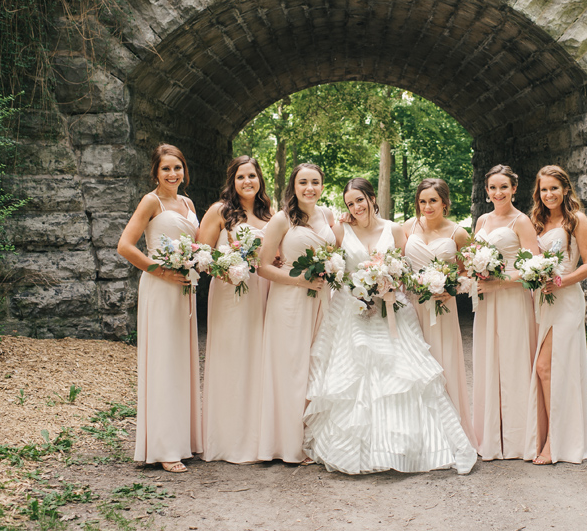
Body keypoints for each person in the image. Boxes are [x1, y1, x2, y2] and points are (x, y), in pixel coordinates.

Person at [304, 178, 476, 475]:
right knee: (354, 376)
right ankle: (353, 450)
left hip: (391, 309)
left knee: (401, 375)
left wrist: (388, 283)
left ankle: (403, 445)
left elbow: (407, 270)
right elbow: (328, 264)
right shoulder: (340, 230)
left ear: (372, 198)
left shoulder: (395, 229)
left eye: (360, 200)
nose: (356, 207)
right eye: (350, 204)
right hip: (352, 311)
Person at [117, 144, 202, 473]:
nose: (172, 174)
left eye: (177, 168)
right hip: (160, 288)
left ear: (184, 170)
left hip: (184, 290)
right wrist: (159, 270)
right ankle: (164, 448)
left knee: (182, 363)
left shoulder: (188, 203)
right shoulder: (150, 201)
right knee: (164, 363)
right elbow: (125, 245)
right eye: (166, 169)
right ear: (155, 172)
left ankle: (184, 440)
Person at [257, 163, 338, 464]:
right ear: (293, 186)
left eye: (315, 182)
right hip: (290, 301)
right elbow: (262, 266)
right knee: (291, 369)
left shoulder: (327, 216)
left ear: (322, 185)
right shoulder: (281, 219)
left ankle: (310, 437)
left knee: (316, 366)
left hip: (321, 301)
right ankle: (287, 444)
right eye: (303, 182)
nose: (309, 188)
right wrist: (297, 279)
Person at [197, 156, 273, 464]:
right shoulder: (220, 211)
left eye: (252, 176)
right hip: (229, 292)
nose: (247, 182)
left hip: (261, 292)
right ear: (233, 180)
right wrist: (225, 270)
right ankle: (226, 439)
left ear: (260, 180)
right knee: (231, 358)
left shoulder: (270, 215)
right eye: (241, 177)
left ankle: (257, 438)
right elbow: (201, 253)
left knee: (257, 359)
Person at [524, 165, 587, 465]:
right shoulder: (536, 222)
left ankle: (556, 441)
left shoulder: (575, 220)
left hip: (565, 299)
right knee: (550, 368)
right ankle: (549, 435)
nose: (549, 194)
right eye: (544, 189)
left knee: (546, 367)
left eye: (554, 188)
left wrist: (560, 281)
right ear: (538, 193)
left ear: (565, 189)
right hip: (542, 301)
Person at [403, 179, 477, 448]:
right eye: (422, 201)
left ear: (444, 202)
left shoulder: (458, 233)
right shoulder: (406, 228)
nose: (427, 206)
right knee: (413, 367)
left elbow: (470, 271)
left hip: (442, 308)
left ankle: (449, 435)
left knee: (442, 364)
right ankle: (418, 435)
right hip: (411, 308)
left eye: (433, 200)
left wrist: (453, 289)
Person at [472, 164, 538, 461]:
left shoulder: (521, 221)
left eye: (503, 187)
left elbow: (534, 270)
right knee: (489, 361)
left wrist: (499, 282)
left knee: (512, 362)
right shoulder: (483, 220)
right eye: (492, 188)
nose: (498, 192)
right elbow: (472, 257)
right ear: (486, 192)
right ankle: (491, 435)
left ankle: (517, 439)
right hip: (486, 301)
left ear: (514, 188)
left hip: (512, 299)